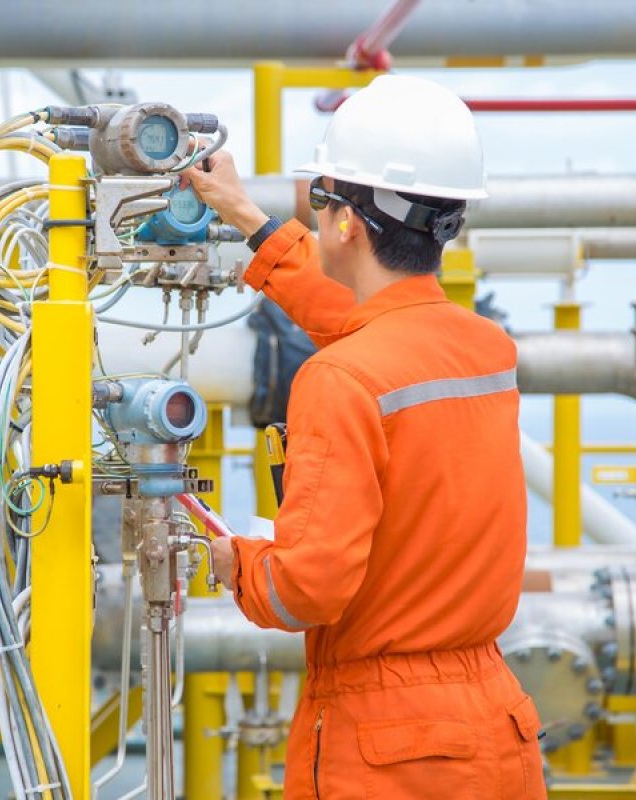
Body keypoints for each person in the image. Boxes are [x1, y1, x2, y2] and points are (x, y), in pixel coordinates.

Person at [182, 75, 545, 799]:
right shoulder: (485, 348)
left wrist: (237, 562)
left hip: (387, 748)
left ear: (346, 223)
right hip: (493, 723)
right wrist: (245, 215)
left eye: (321, 199)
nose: (317, 215)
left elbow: (305, 590)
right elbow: (369, 320)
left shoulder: (340, 378)